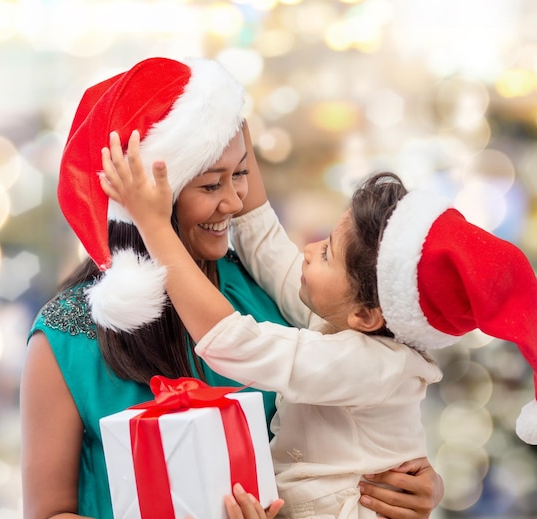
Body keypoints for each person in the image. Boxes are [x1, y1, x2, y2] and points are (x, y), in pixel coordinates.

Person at [20, 56, 445, 519]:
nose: (235, 200)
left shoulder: (266, 292)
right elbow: (47, 512)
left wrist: (409, 482)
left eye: (240, 173)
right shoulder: (67, 335)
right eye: (210, 184)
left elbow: (358, 424)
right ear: (145, 203)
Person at [99, 126, 537, 517]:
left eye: (326, 253)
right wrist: (229, 115)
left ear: (367, 315)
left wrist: (153, 226)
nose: (309, 249)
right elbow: (264, 238)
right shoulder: (351, 320)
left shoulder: (373, 365)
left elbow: (235, 343)